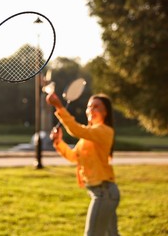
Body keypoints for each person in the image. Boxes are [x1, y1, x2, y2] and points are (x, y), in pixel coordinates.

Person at [46, 92, 120, 236]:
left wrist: (59, 107)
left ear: (105, 112)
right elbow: (75, 157)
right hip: (104, 193)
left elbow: (76, 130)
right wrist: (58, 142)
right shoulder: (88, 136)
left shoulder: (105, 131)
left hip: (104, 193)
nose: (91, 109)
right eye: (89, 106)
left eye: (96, 107)